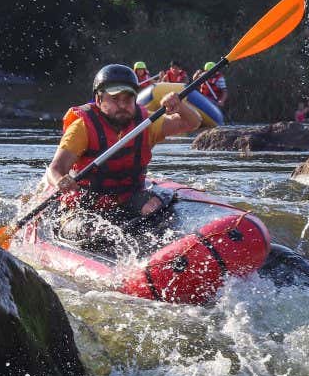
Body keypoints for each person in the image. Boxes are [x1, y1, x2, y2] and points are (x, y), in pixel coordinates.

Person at [44, 63, 201, 255]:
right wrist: (60, 180)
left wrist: (180, 106)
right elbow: (55, 168)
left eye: (128, 99)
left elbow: (192, 122)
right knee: (94, 232)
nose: (123, 105)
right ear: (99, 99)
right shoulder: (82, 127)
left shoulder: (146, 124)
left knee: (157, 209)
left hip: (128, 196)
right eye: (115, 99)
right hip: (86, 202)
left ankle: (160, 254)